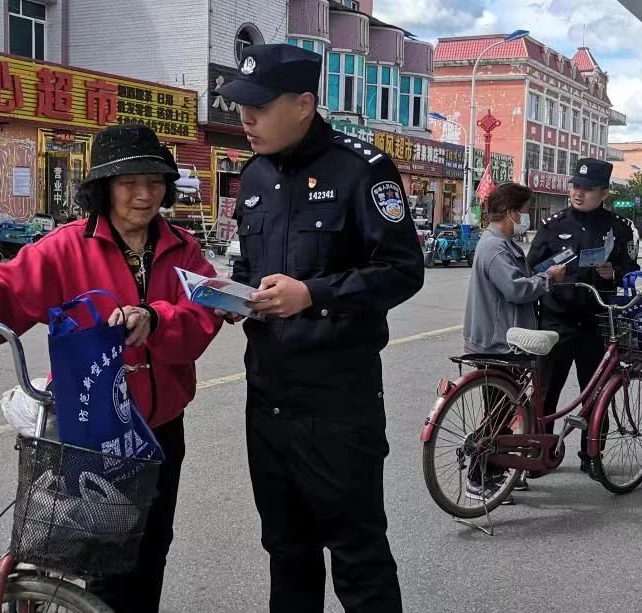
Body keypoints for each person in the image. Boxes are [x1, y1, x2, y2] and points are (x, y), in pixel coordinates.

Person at [0, 124, 222, 613]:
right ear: (103, 188)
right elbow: (3, 287)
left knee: (149, 549)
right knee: (95, 551)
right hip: (87, 429)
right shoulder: (66, 247)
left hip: (159, 429)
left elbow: (204, 312)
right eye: (129, 183)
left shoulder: (183, 249)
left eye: (155, 181)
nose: (144, 195)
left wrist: (156, 319)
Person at [216, 43, 423, 612]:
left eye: (259, 106)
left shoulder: (362, 169)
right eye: (240, 106)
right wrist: (233, 296)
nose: (245, 119)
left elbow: (402, 271)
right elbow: (245, 265)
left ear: (305, 103)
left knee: (358, 559)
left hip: (338, 409)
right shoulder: (252, 175)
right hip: (268, 402)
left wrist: (314, 295)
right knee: (287, 554)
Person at [526, 158, 639, 476]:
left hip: (596, 322)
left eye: (588, 189)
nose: (579, 193)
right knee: (546, 392)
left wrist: (613, 271)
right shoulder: (553, 225)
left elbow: (631, 270)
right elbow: (530, 267)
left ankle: (592, 453)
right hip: (556, 322)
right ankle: (541, 451)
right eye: (575, 186)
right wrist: (548, 273)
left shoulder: (618, 228)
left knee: (598, 391)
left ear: (604, 193)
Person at [463, 182, 565, 502]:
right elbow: (516, 290)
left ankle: (498, 470)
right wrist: (548, 278)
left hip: (503, 338)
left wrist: (540, 272)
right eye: (522, 212)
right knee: (497, 413)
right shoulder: (494, 247)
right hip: (497, 343)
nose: (525, 218)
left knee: (504, 410)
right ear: (510, 213)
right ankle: (479, 478)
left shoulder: (501, 244)